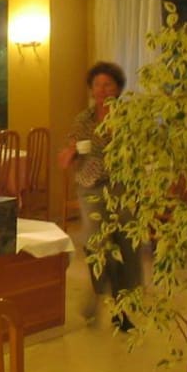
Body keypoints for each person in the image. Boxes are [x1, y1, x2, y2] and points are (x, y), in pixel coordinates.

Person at [57, 61, 142, 332]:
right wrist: (70, 153)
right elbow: (67, 154)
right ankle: (97, 292)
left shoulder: (129, 117)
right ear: (91, 89)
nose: (102, 90)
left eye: (108, 84)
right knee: (97, 243)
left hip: (122, 187)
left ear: (118, 88)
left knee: (126, 246)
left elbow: (141, 151)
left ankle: (121, 308)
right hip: (91, 186)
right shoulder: (84, 120)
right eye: (97, 85)